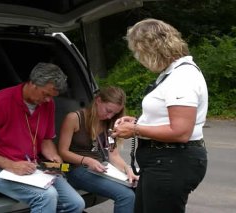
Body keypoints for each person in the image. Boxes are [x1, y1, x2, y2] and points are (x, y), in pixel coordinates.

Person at [112, 18, 208, 213]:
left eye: (138, 51)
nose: (138, 57)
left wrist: (135, 129)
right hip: (162, 161)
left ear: (151, 48)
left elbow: (181, 132)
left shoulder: (183, 77)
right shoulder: (171, 73)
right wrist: (140, 121)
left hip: (172, 162)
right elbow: (167, 118)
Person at [0, 62, 85, 213]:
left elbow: (46, 140)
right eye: (45, 94)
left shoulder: (48, 104)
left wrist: (54, 159)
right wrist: (10, 165)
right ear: (33, 83)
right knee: (46, 196)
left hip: (32, 167)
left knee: (76, 203)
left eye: (52, 96)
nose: (48, 100)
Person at [58, 86, 138, 213]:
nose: (109, 116)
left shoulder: (110, 123)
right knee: (126, 196)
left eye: (114, 113)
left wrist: (127, 169)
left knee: (137, 188)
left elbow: (114, 155)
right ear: (98, 100)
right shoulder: (74, 118)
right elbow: (62, 152)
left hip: (100, 168)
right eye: (108, 110)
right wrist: (87, 160)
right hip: (74, 169)